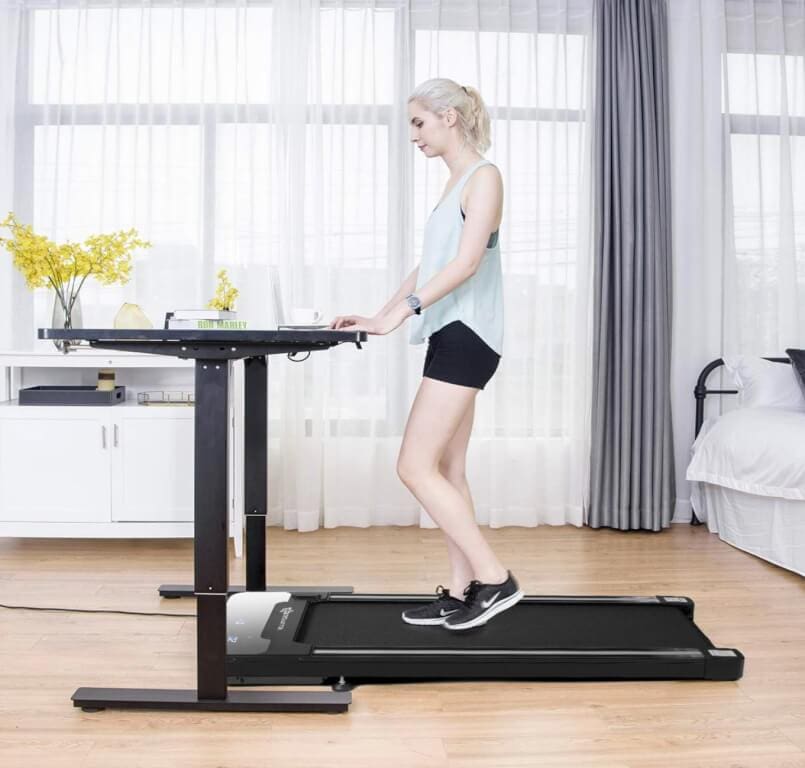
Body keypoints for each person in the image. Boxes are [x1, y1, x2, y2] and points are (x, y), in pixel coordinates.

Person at [329, 78, 522, 631]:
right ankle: (463, 591)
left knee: (413, 466)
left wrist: (402, 312)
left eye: (418, 122)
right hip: (451, 332)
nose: (413, 135)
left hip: (469, 334)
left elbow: (465, 266)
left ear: (449, 118)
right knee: (447, 469)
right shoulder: (456, 183)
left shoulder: (485, 178)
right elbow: (432, 263)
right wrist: (379, 313)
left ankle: (494, 577)